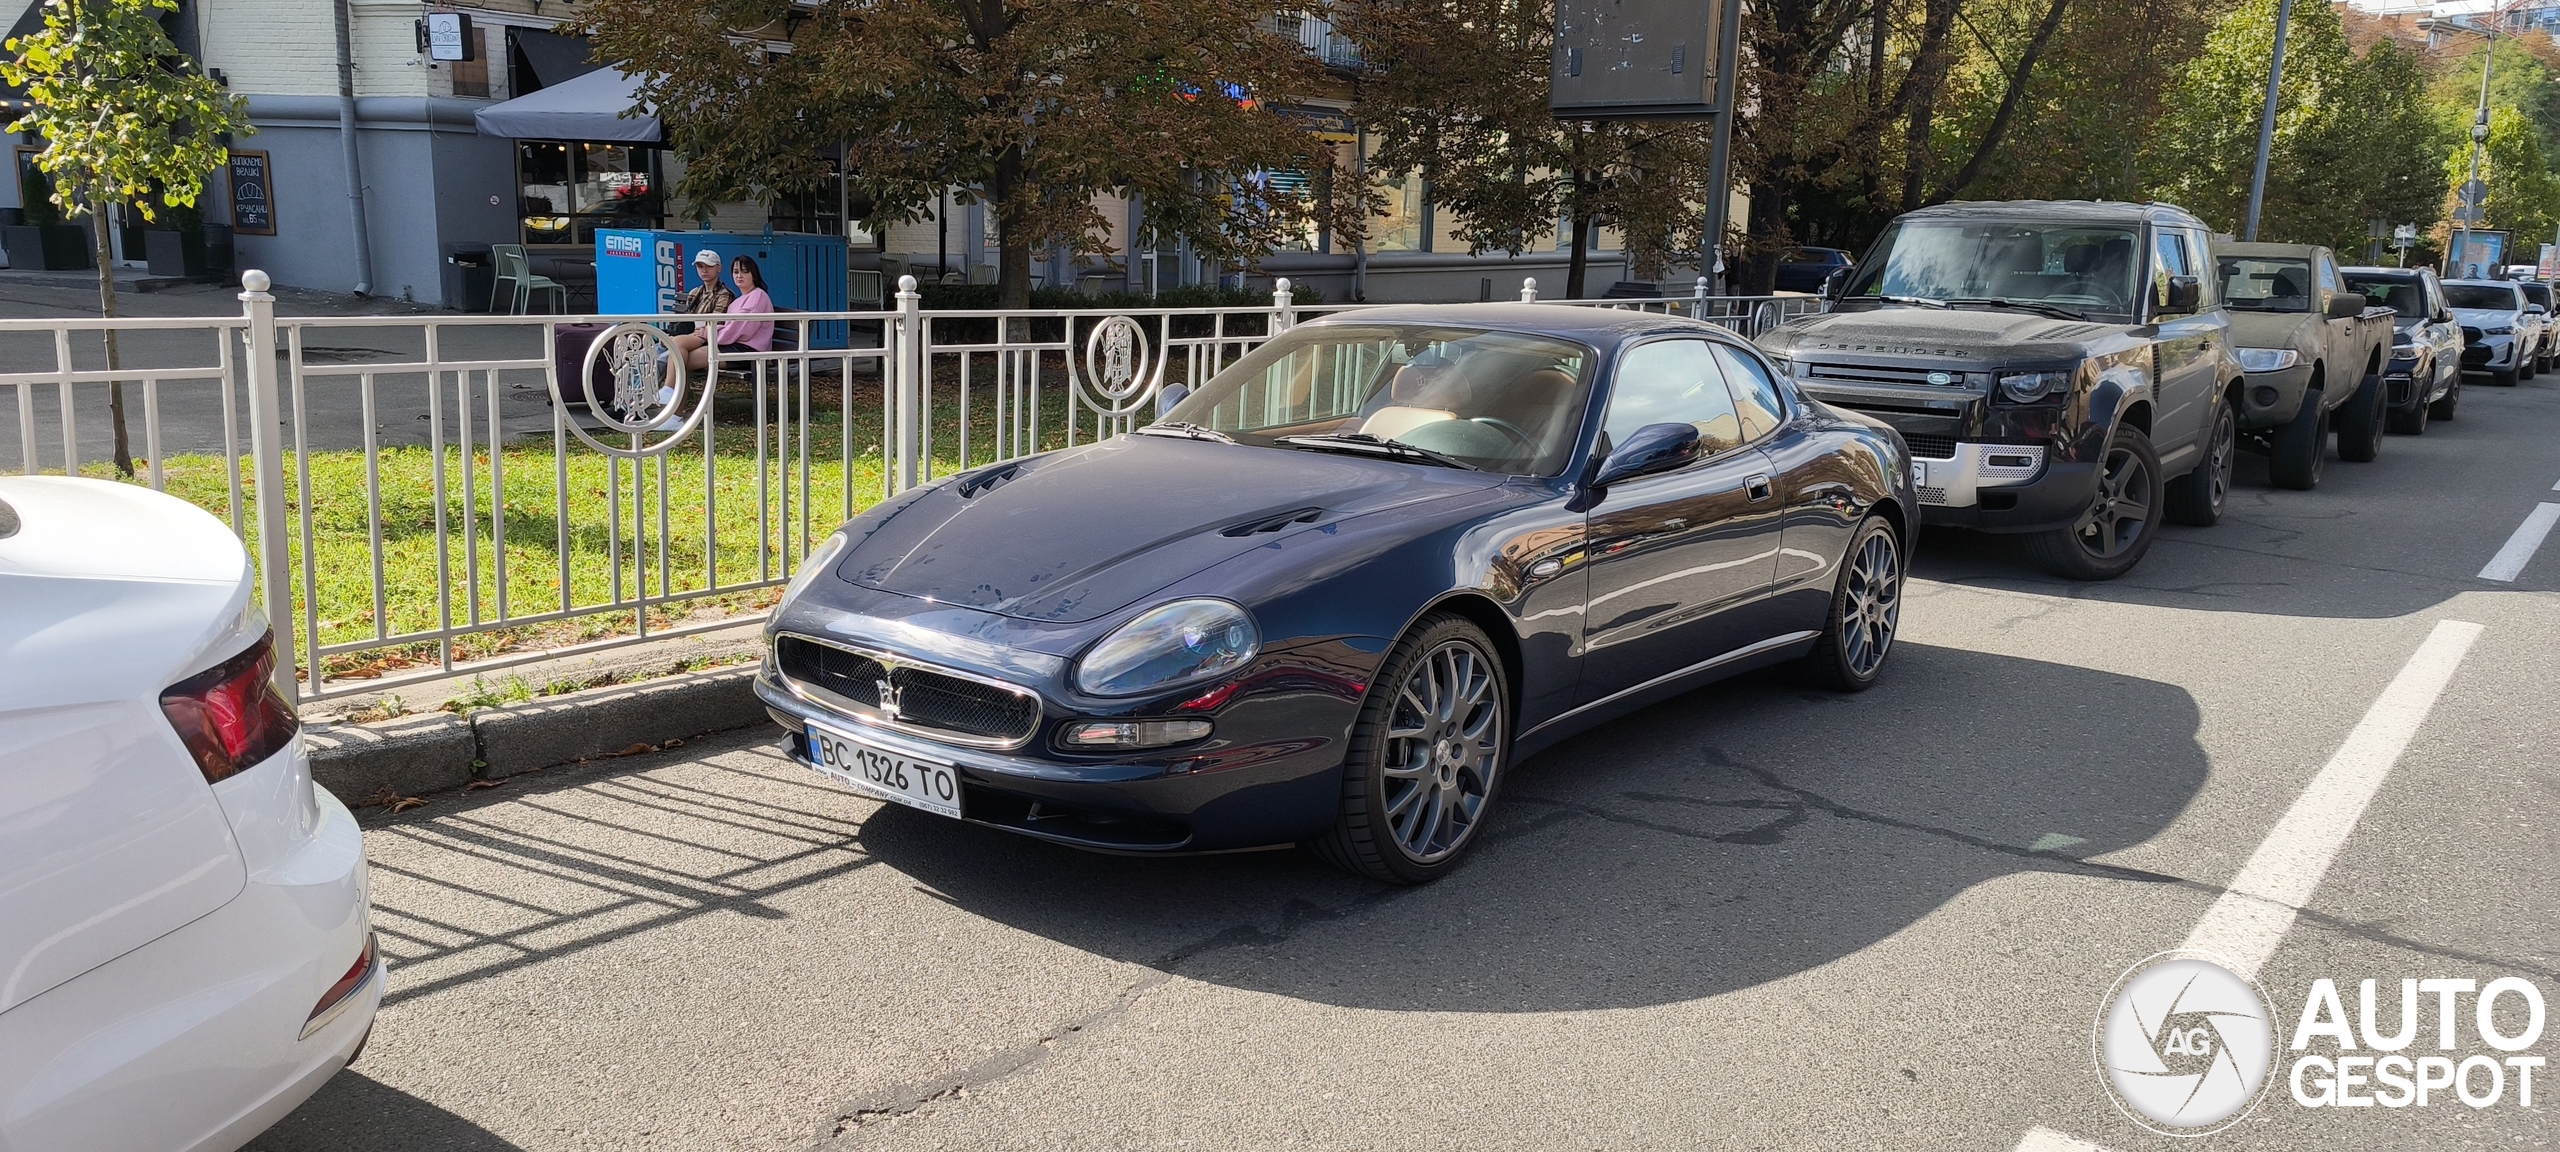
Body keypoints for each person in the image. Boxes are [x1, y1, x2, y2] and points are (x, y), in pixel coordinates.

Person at [663, 255, 775, 394]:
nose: (739, 276)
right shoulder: (739, 301)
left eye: (745, 272)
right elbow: (731, 328)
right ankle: (671, 397)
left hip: (748, 352)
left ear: (754, 274)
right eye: (736, 272)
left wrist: (708, 334)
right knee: (679, 352)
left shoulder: (757, 296)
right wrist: (708, 331)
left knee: (681, 360)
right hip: (732, 346)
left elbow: (740, 330)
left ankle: (670, 395)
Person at [672, 249, 732, 335]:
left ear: (719, 268)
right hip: (692, 335)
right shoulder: (694, 292)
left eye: (709, 266)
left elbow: (716, 323)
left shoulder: (725, 294)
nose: (704, 270)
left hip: (709, 337)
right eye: (700, 266)